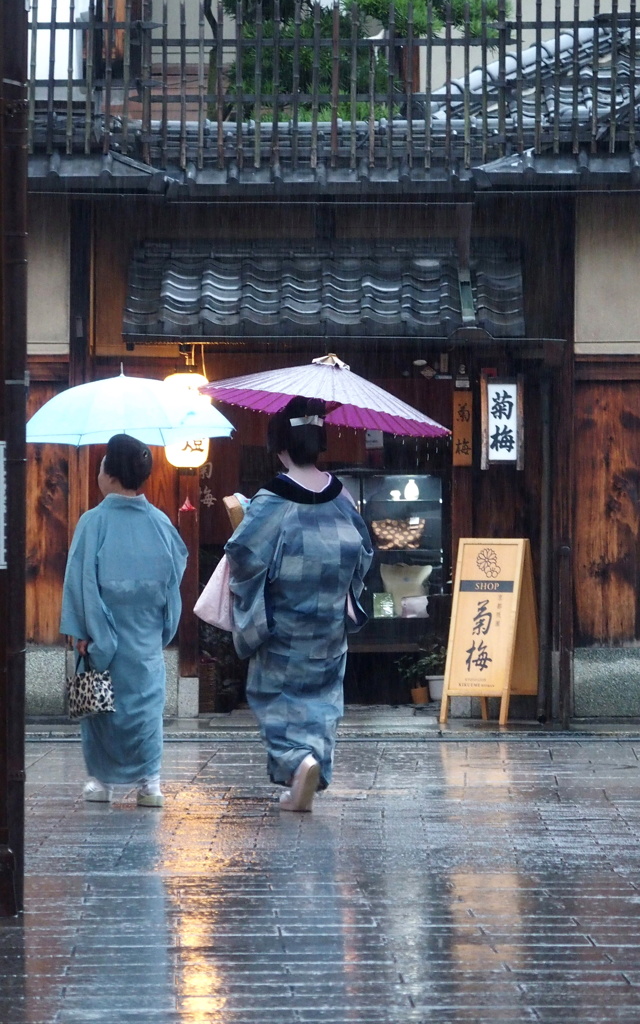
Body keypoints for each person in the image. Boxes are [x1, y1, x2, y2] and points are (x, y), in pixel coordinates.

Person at [225, 396, 373, 812]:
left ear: (281, 446)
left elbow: (243, 554)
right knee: (323, 700)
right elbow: (363, 553)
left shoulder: (274, 497)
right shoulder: (341, 495)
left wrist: (247, 515)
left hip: (283, 623)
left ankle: (296, 761)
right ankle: (309, 774)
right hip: (328, 623)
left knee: (273, 695)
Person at [60, 434, 188, 807]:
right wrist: (161, 626)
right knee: (147, 708)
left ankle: (102, 781)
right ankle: (150, 783)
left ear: (110, 473)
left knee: (102, 709)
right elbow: (173, 577)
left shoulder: (93, 522)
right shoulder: (161, 522)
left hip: (103, 633)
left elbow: (81, 581)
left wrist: (84, 631)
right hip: (146, 634)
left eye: (102, 464)